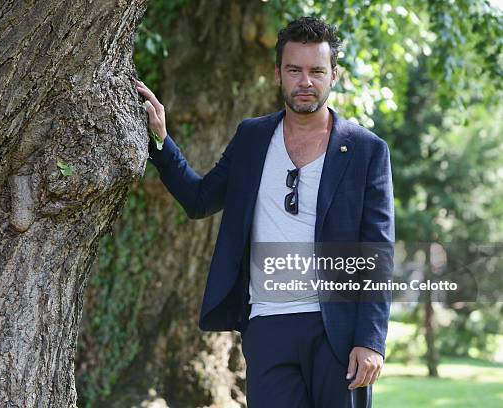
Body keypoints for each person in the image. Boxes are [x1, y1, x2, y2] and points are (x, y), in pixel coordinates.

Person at [134, 16, 394, 408]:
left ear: (333, 76)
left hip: (337, 333)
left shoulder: (366, 150)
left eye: (316, 71)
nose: (305, 81)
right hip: (267, 325)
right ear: (278, 74)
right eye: (294, 70)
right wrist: (160, 141)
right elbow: (200, 199)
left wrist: (370, 340)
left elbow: (377, 251)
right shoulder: (252, 137)